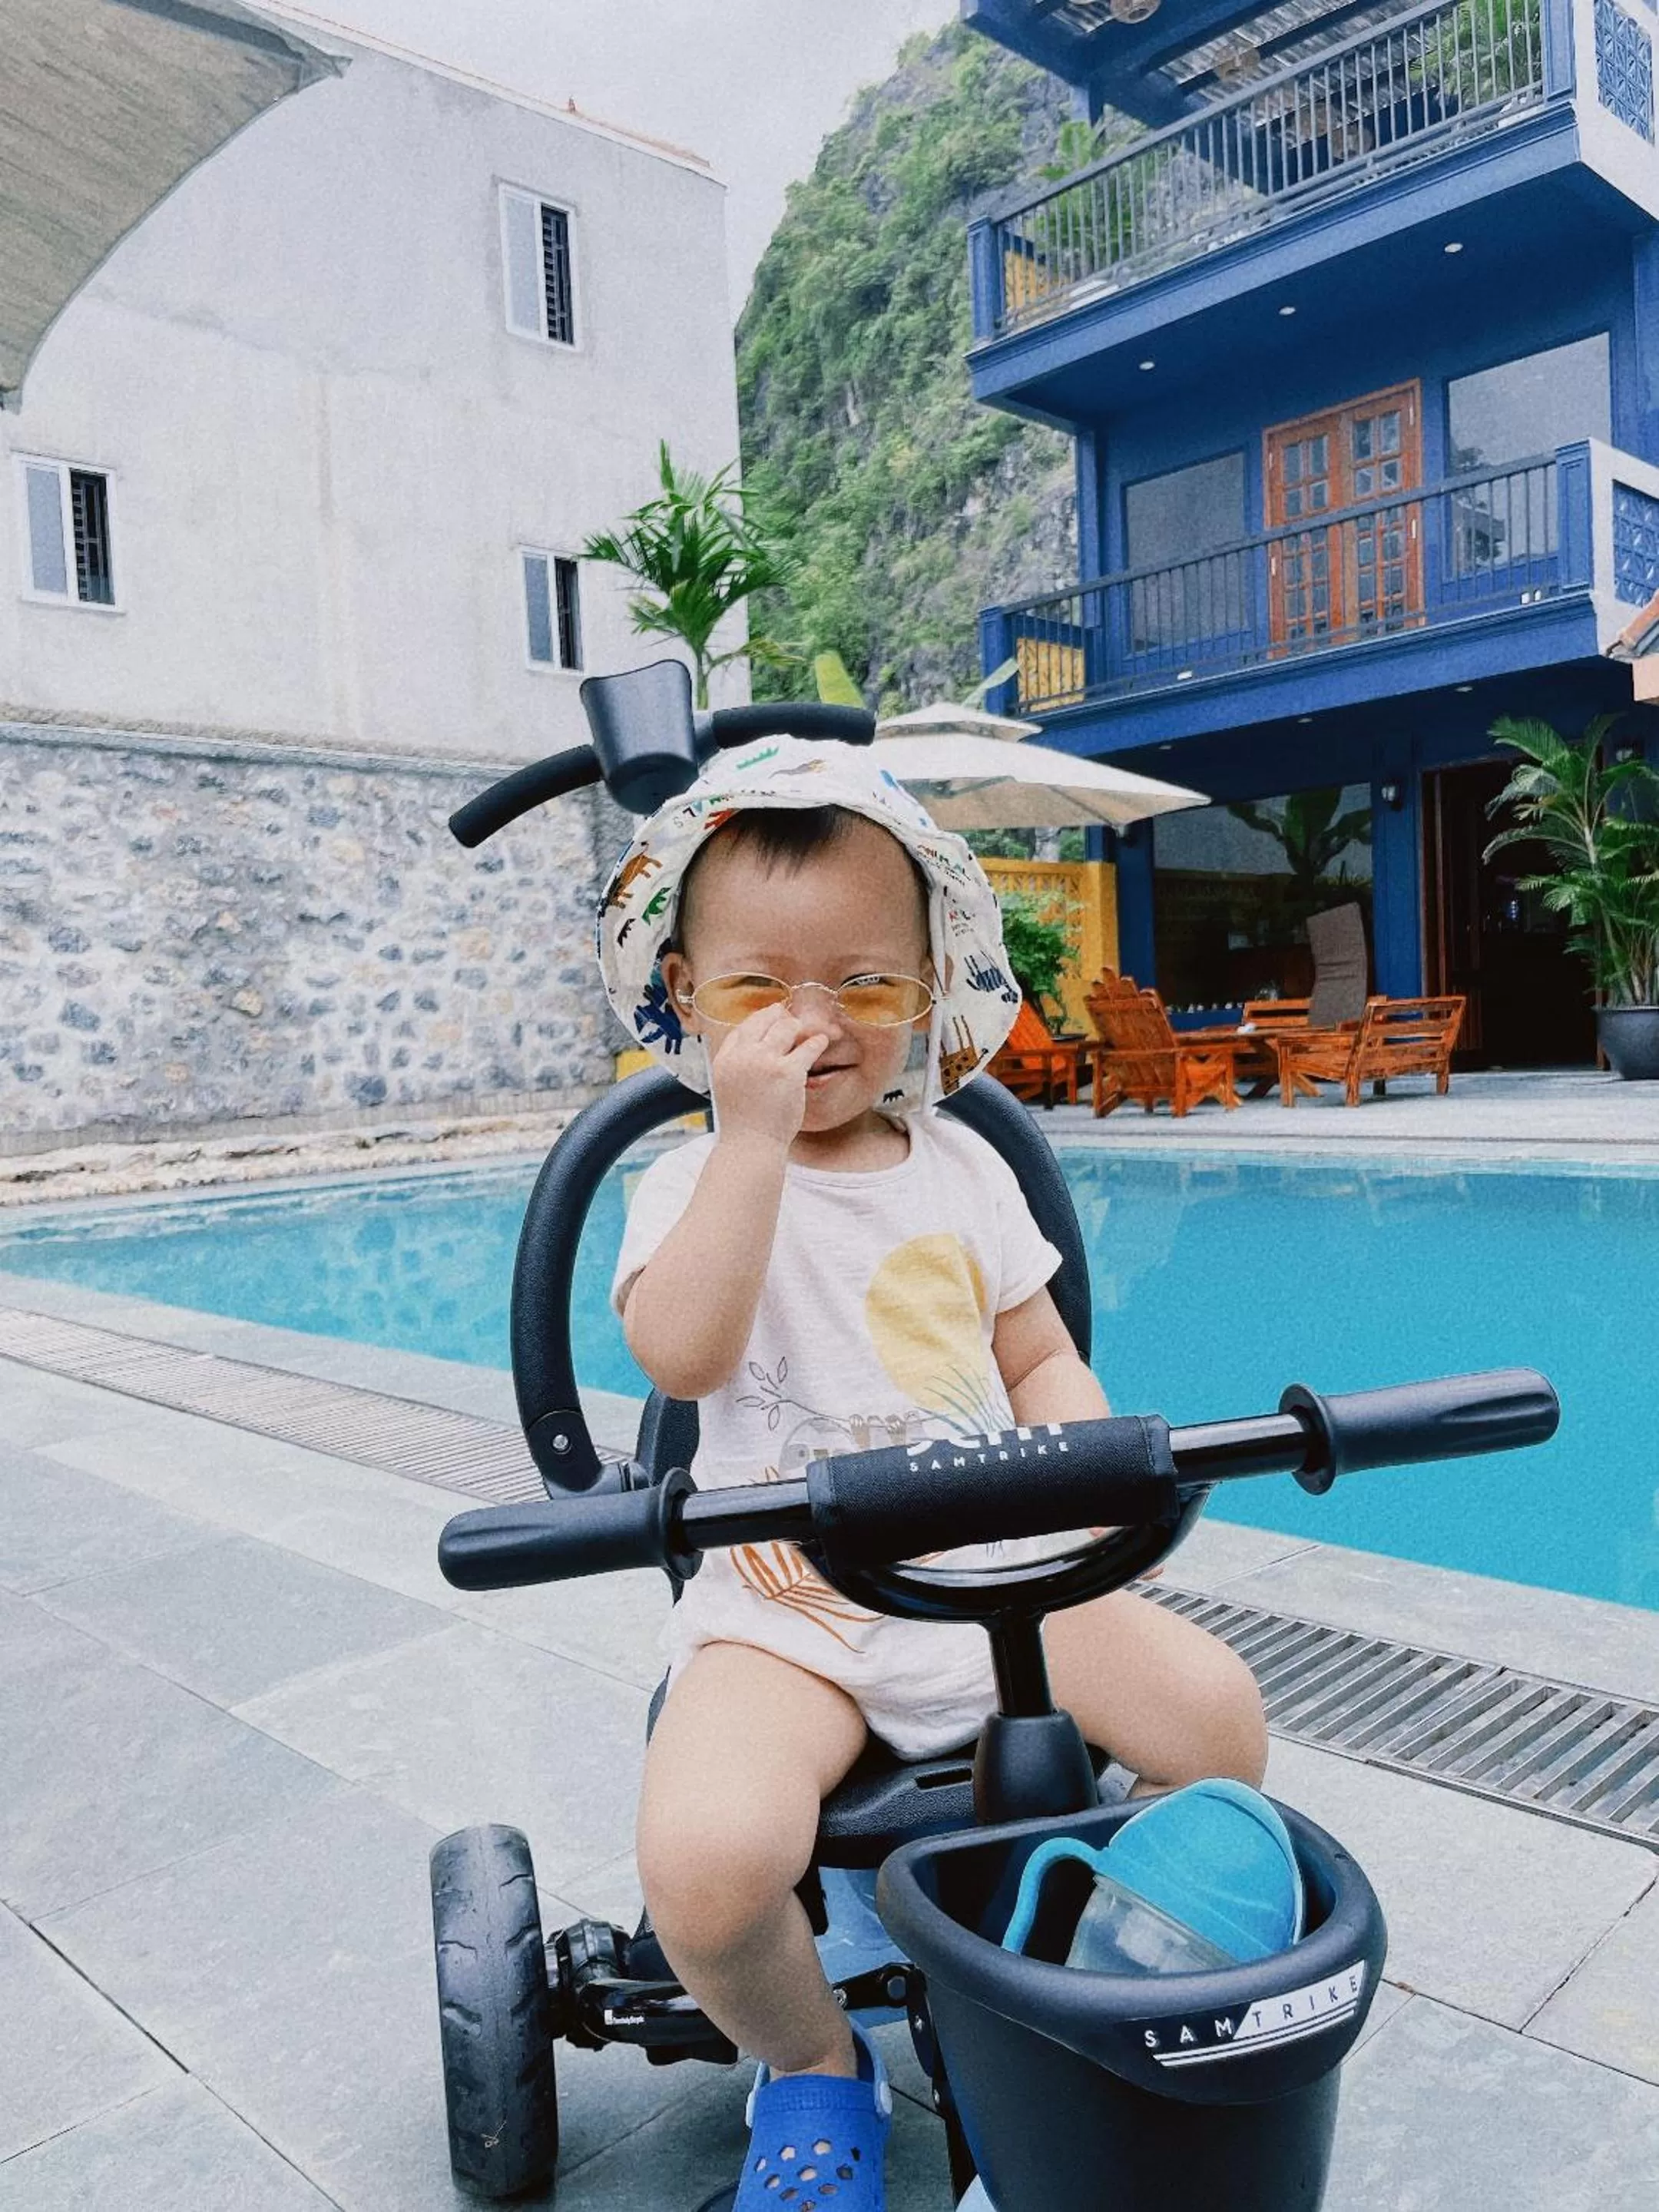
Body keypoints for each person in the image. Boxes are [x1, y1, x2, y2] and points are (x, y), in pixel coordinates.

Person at [598, 738, 1267, 2208]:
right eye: (761, 990)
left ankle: (1099, 1958)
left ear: (926, 991)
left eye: (864, 984)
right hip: (798, 1619)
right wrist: (751, 1146)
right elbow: (684, 1357)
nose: (814, 1025)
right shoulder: (686, 1182)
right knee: (706, 1863)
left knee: (1219, 1718)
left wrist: (1083, 1467)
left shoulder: (964, 1168)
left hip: (997, 1585)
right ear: (692, 1003)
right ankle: (816, 2059)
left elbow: (1035, 1358)